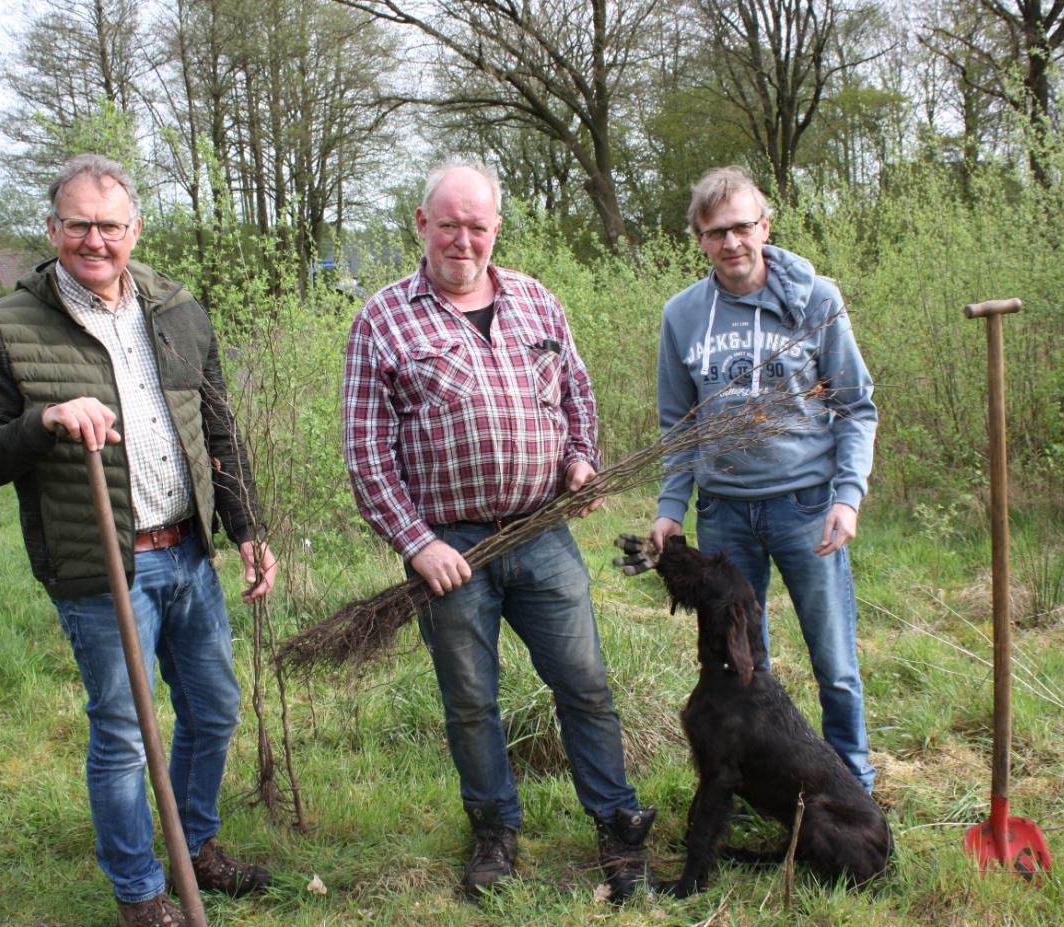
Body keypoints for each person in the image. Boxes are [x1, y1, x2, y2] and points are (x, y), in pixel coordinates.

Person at [0, 154, 277, 927]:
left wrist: (248, 529)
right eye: (78, 224)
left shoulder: (177, 307)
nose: (94, 239)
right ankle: (141, 896)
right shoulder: (8, 324)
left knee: (214, 709)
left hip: (188, 552)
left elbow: (218, 427)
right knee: (125, 731)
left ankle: (194, 845)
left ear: (134, 229)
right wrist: (45, 421)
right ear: (52, 227)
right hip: (103, 563)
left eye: (110, 224)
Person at [343, 160, 653, 899]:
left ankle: (617, 825)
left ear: (496, 230)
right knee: (473, 699)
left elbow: (577, 393)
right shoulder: (382, 319)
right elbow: (365, 450)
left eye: (476, 225)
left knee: (584, 683)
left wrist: (582, 463)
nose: (462, 239)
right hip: (451, 550)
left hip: (543, 533)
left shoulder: (539, 302)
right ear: (422, 225)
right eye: (447, 223)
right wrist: (416, 543)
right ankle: (494, 833)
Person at [649, 166, 879, 792]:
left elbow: (856, 406)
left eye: (742, 227)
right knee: (746, 666)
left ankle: (854, 787)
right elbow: (679, 425)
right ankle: (771, 785)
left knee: (834, 663)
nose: (732, 243)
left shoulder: (816, 300)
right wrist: (673, 507)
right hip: (724, 515)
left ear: (765, 226)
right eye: (715, 231)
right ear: (699, 239)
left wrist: (847, 498)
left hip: (806, 508)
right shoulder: (683, 316)